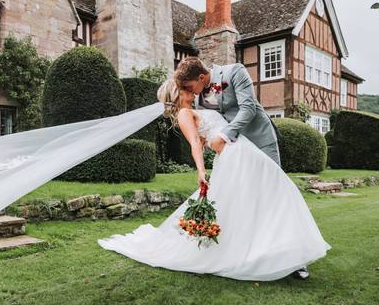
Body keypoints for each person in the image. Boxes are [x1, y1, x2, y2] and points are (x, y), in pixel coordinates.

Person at [97, 68, 331, 281]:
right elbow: (196, 145)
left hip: (243, 151)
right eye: (184, 90)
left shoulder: (198, 105)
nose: (190, 92)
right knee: (267, 196)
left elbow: (224, 121)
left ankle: (283, 253)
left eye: (188, 87)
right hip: (235, 157)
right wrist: (200, 171)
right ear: (177, 94)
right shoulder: (184, 114)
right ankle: (265, 253)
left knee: (272, 195)